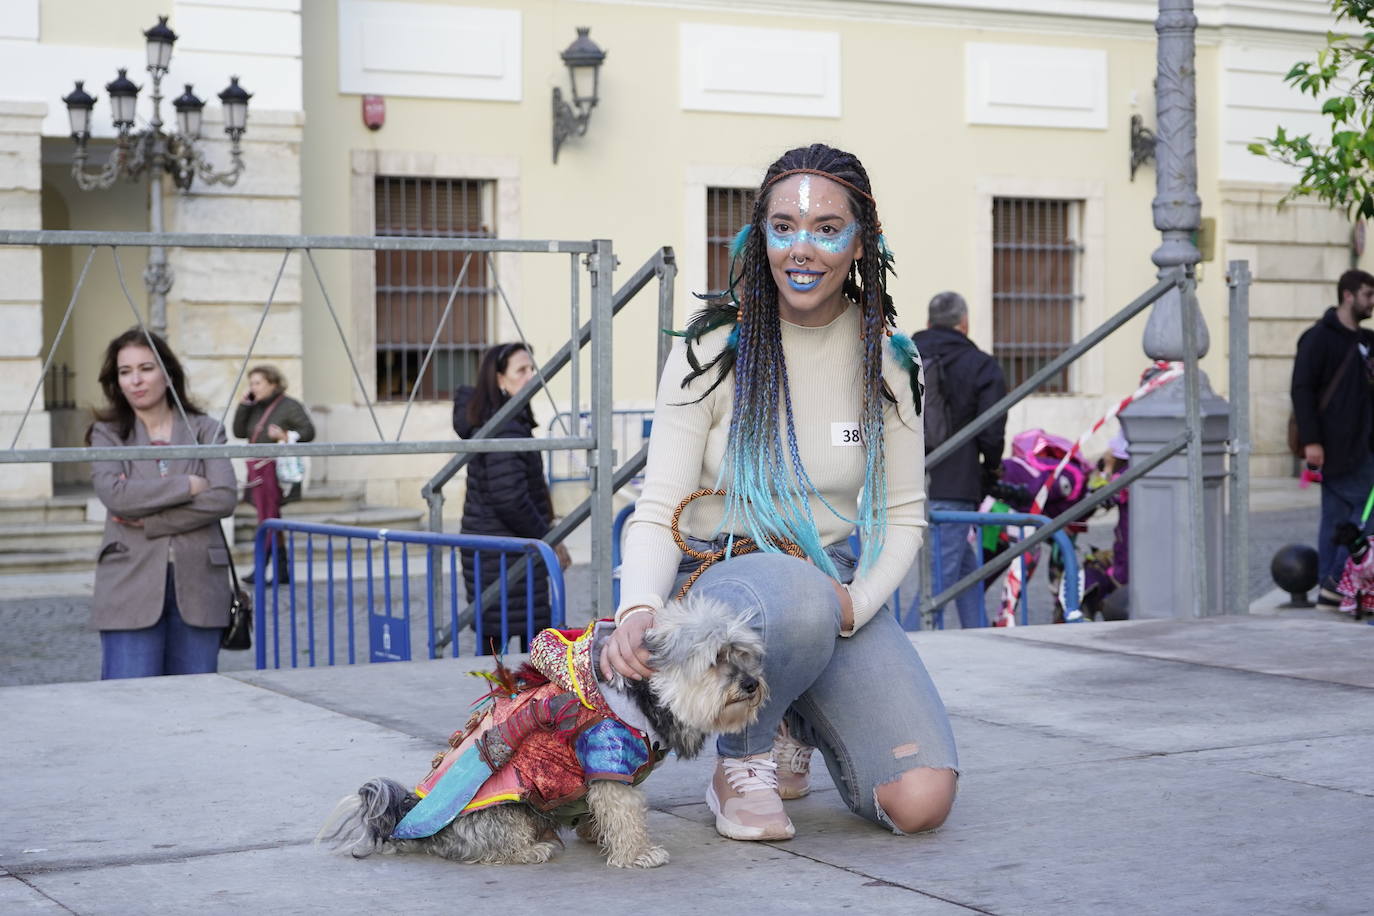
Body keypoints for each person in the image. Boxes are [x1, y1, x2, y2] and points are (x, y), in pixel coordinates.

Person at [601, 144, 957, 842]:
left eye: (828, 228)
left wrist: (857, 603)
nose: (804, 247)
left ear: (861, 244)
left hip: (831, 586)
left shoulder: (891, 359)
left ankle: (792, 708)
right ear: (758, 236)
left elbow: (906, 514)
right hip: (723, 580)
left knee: (920, 802)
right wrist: (638, 607)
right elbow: (657, 502)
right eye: (784, 227)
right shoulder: (711, 347)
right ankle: (742, 760)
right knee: (795, 596)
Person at [88, 328, 238, 679]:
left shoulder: (205, 430)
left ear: (168, 374)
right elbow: (117, 497)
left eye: (146, 368)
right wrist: (188, 484)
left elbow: (224, 497)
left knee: (195, 707)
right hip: (129, 583)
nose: (136, 381)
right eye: (125, 372)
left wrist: (153, 520)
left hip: (200, 584)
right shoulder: (107, 434)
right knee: (130, 705)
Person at [453, 342, 571, 653]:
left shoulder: (503, 422)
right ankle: (514, 701)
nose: (531, 376)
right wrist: (548, 538)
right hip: (504, 552)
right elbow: (510, 499)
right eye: (521, 370)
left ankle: (510, 698)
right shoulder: (504, 429)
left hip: (499, 548)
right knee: (512, 648)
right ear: (499, 380)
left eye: (532, 369)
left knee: (501, 643)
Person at [913, 291, 1008, 629]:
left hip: (906, 477)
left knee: (964, 566)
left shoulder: (903, 357)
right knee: (936, 580)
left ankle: (979, 633)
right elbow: (991, 431)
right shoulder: (981, 365)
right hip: (956, 481)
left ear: (928, 323)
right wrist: (992, 466)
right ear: (964, 324)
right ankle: (911, 645)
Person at [1292, 268, 1374, 608]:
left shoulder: (1369, 340)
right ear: (1348, 295)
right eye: (1368, 295)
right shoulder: (1318, 338)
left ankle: (1330, 584)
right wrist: (1312, 441)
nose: (1372, 302)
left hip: (1365, 442)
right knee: (1364, 514)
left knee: (1338, 517)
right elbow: (1302, 390)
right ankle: (1336, 580)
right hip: (1334, 445)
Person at [232, 364, 315, 584]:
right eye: (251, 383)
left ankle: (261, 568)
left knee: (267, 520)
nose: (254, 388)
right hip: (255, 470)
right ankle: (282, 571)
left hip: (273, 472)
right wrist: (243, 405)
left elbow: (309, 431)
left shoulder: (289, 406)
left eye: (258, 383)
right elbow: (239, 431)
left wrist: (285, 435)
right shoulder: (254, 406)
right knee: (270, 519)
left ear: (273, 384)